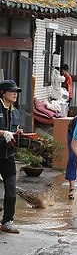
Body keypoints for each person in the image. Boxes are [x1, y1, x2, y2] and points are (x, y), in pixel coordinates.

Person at [0, 80, 22, 233]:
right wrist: (2, 132)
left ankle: (7, 221)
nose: (15, 94)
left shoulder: (15, 110)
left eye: (16, 92)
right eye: (12, 91)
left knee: (11, 189)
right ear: (3, 93)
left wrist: (18, 133)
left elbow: (16, 129)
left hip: (8, 155)